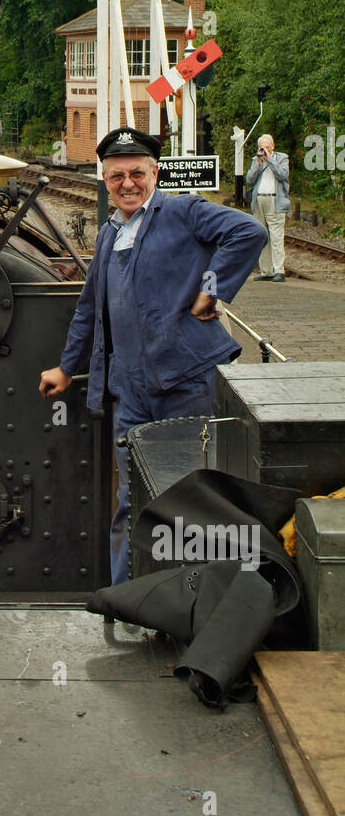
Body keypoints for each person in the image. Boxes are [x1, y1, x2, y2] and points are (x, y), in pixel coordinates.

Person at [38, 127, 268, 586]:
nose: (128, 183)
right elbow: (89, 308)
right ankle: (128, 599)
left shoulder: (183, 212)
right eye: (116, 175)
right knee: (131, 499)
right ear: (104, 179)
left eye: (137, 173)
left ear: (155, 173)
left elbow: (249, 231)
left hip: (187, 382)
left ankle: (193, 601)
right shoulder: (108, 234)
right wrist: (67, 367)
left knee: (190, 495)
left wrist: (211, 290)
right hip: (130, 390)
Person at [245, 133, 290, 282]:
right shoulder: (256, 160)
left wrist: (270, 160)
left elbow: (283, 175)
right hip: (259, 200)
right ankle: (266, 271)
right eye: (260, 148)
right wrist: (258, 164)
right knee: (262, 235)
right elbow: (249, 179)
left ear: (272, 147)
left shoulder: (282, 158)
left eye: (266, 147)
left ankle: (279, 271)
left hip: (274, 200)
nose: (263, 151)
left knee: (276, 236)